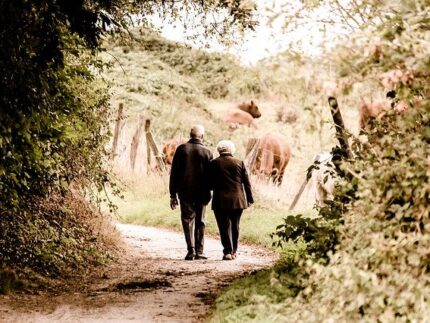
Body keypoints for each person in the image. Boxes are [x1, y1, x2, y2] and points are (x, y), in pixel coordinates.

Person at [169, 125, 213, 260]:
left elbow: (174, 173)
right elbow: (211, 176)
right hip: (202, 192)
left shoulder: (181, 149)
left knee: (187, 220)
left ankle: (191, 250)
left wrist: (173, 194)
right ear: (202, 136)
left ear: (190, 135)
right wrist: (211, 191)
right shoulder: (207, 152)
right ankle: (200, 251)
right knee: (200, 221)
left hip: (185, 191)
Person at [209, 140, 254, 260]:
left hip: (220, 200)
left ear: (219, 150)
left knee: (223, 227)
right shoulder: (240, 163)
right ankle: (234, 251)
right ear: (231, 150)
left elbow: (209, 183)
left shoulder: (213, 163)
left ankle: (227, 252)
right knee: (235, 225)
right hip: (237, 200)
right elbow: (246, 183)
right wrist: (249, 199)